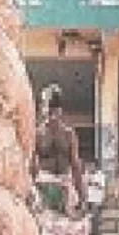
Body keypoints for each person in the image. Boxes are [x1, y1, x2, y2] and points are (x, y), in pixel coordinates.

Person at [33, 84, 85, 215]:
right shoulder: (37, 134)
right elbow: (30, 166)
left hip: (64, 187)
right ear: (42, 109)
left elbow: (75, 165)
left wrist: (82, 195)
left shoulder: (68, 134)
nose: (52, 114)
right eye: (48, 109)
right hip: (44, 187)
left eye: (54, 109)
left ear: (60, 110)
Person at [85, 164, 107, 235]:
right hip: (89, 198)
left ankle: (96, 234)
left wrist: (93, 183)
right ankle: (92, 233)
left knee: (96, 217)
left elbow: (101, 186)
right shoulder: (87, 174)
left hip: (97, 199)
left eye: (91, 166)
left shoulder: (100, 175)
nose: (90, 168)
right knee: (90, 217)